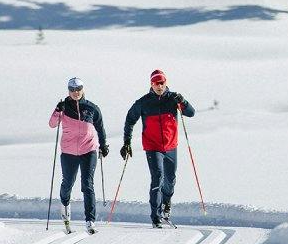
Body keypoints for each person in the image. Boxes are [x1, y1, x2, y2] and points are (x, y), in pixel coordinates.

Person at [121, 69, 195, 227]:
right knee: (157, 178)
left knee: (170, 180)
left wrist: (183, 101)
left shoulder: (173, 99)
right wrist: (127, 142)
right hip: (152, 147)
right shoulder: (143, 102)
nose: (159, 86)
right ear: (151, 84)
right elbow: (130, 119)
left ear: (165, 83)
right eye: (156, 83)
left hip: (171, 146)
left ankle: (166, 203)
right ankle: (156, 216)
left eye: (162, 83)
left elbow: (191, 113)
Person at [49, 77, 108, 234]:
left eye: (78, 89)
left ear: (83, 90)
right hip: (68, 152)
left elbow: (100, 128)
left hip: (89, 149)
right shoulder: (63, 107)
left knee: (87, 184)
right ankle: (65, 205)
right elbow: (52, 124)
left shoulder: (92, 108)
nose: (76, 93)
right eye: (72, 90)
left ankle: (90, 220)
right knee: (68, 183)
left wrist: (103, 145)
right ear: (69, 91)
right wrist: (57, 110)